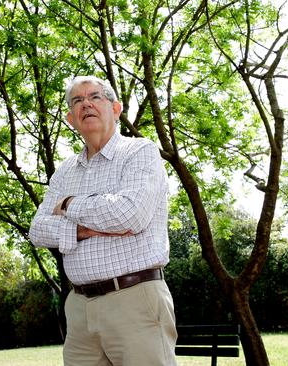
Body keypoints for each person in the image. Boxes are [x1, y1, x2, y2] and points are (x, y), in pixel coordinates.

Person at [29, 75, 177, 365]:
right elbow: (37, 230)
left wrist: (69, 204)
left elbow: (128, 214)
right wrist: (83, 230)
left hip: (134, 300)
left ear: (116, 108)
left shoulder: (140, 152)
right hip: (79, 308)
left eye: (95, 97)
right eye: (77, 101)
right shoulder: (64, 173)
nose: (86, 104)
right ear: (71, 119)